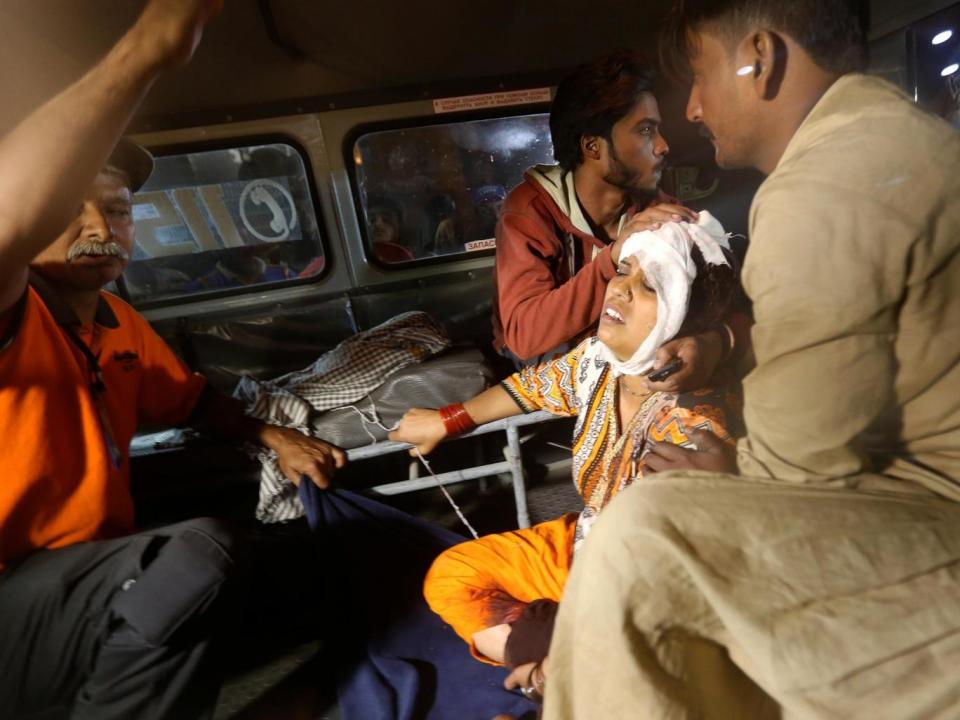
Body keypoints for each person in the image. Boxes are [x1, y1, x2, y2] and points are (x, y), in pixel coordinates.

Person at [543, 1, 960, 718]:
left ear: (759, 57)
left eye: (700, 77)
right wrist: (728, 344)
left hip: (934, 512)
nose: (694, 110)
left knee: (641, 539)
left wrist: (730, 473)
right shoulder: (882, 135)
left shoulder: (829, 183)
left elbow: (802, 466)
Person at [0, 2, 344, 717]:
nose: (100, 227)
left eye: (117, 210)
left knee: (283, 560)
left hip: (85, 582)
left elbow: (187, 401)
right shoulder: (12, 313)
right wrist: (148, 50)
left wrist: (273, 436)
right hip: (15, 595)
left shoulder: (119, 321)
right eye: (71, 210)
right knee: (198, 555)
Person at [390, 213, 740, 698]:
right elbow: (532, 388)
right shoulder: (599, 360)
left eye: (650, 286)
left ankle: (577, 658)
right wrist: (447, 421)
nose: (619, 290)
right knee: (453, 575)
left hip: (646, 585)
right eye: (625, 271)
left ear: (686, 319)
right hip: (587, 542)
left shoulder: (693, 427)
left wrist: (561, 662)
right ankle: (571, 648)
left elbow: (667, 576)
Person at [492, 50, 746, 392]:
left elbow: (724, 305)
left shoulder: (658, 212)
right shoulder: (530, 211)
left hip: (626, 365)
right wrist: (613, 259)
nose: (662, 146)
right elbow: (524, 336)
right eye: (645, 130)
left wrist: (716, 341)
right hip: (550, 365)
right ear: (592, 146)